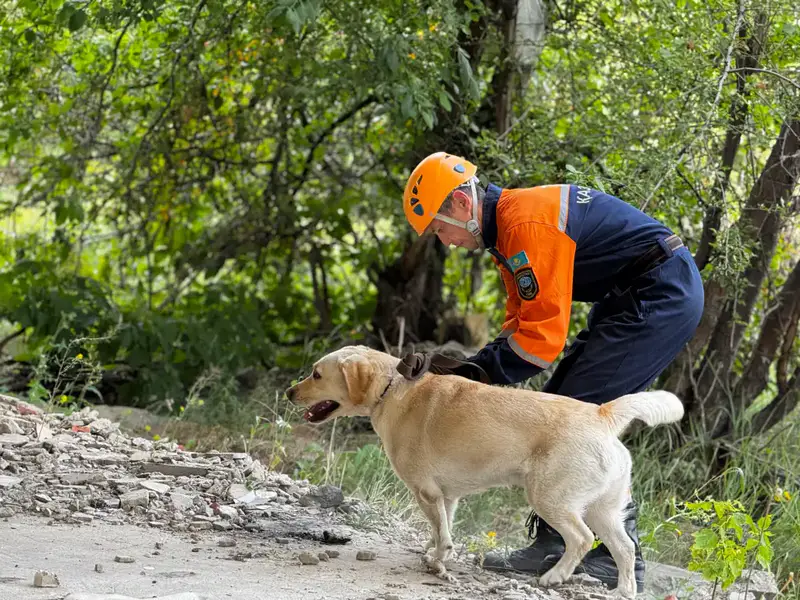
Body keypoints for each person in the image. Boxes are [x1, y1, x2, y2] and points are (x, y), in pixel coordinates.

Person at [401, 151, 704, 593]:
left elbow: (541, 343)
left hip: (660, 295)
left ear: (462, 206)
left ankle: (598, 555)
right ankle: (565, 543)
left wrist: (478, 375)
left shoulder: (523, 226)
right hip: (631, 294)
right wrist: (474, 365)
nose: (444, 241)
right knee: (564, 396)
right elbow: (519, 319)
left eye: (439, 229)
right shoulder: (505, 232)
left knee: (580, 410)